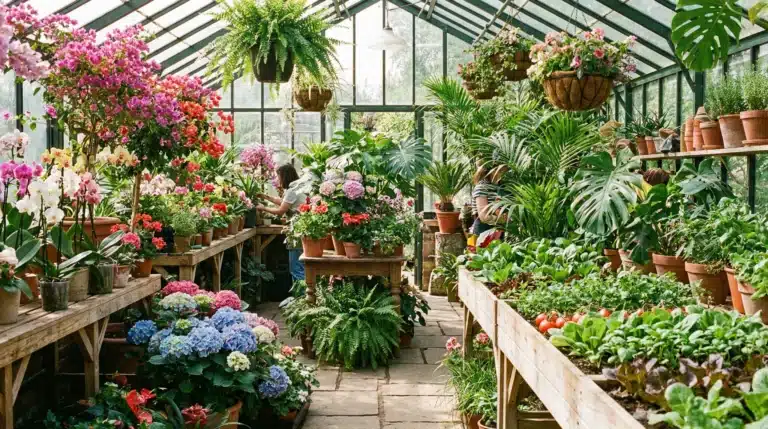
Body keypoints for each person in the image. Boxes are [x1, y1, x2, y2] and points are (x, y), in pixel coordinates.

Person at [256, 164, 306, 282]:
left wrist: (263, 208)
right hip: (301, 228)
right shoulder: (297, 187)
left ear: (284, 176)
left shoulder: (291, 190)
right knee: (301, 266)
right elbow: (285, 202)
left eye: (279, 176)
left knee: (296, 268)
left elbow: (281, 211)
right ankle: (304, 296)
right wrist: (266, 197)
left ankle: (301, 296)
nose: (278, 180)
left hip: (296, 231)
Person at [470, 163, 500, 236]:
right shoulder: (482, 187)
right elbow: (484, 216)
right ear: (493, 170)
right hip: (484, 231)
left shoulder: (499, 186)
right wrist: (503, 219)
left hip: (498, 229)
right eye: (501, 170)